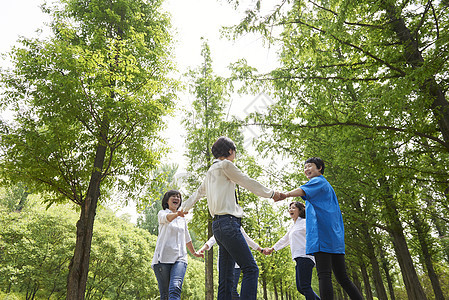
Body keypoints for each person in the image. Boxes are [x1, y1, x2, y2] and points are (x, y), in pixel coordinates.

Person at [180, 136, 282, 300]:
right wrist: (272, 194)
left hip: (218, 227)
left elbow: (197, 193)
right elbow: (247, 181)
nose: (235, 155)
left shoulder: (210, 173)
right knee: (251, 269)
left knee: (226, 279)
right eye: (235, 152)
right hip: (228, 224)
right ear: (229, 151)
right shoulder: (226, 165)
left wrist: (183, 208)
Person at [279, 157, 363, 300]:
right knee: (343, 277)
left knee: (324, 275)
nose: (307, 169)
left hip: (322, 235)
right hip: (334, 236)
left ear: (319, 168)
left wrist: (285, 194)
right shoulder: (324, 185)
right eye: (305, 167)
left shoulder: (317, 182)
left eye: (310, 166)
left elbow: (302, 190)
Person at [151, 190, 203, 300]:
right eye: (173, 196)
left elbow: (187, 238)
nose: (177, 198)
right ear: (167, 200)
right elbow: (168, 218)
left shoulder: (182, 219)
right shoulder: (162, 213)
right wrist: (177, 214)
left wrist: (194, 253)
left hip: (180, 257)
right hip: (163, 258)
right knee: (165, 295)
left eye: (178, 197)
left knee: (175, 288)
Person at [263, 201, 320, 300]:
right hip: (299, 258)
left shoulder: (305, 222)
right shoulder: (294, 226)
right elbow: (285, 239)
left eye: (293, 208)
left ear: (300, 210)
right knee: (301, 288)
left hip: (305, 256)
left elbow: (316, 234)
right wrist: (272, 248)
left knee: (305, 286)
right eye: (290, 208)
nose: (290, 210)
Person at [196, 226, 264, 300]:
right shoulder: (221, 227)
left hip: (236, 265)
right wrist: (202, 249)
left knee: (232, 290)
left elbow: (248, 240)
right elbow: (211, 240)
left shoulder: (237, 226)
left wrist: (261, 250)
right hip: (224, 265)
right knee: (225, 288)